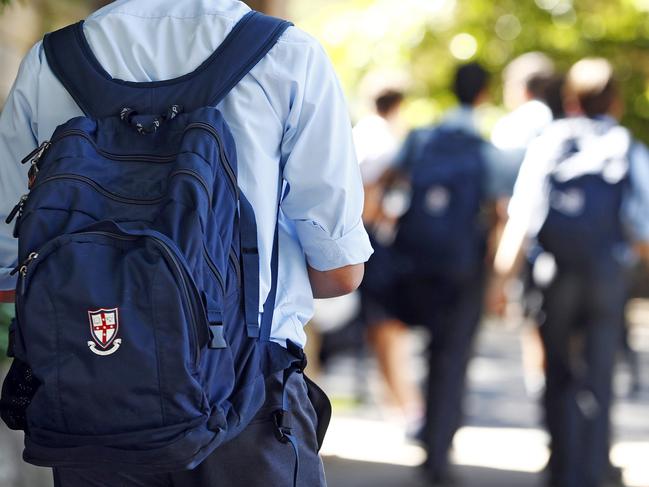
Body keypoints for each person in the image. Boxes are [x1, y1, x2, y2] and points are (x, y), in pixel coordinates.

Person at [0, 0, 373, 485]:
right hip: (246, 405)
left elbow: (12, 271)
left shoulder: (50, 61)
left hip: (90, 401)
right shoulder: (287, 54)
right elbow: (340, 272)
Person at [493, 58, 649, 487]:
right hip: (605, 275)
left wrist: (500, 281)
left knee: (558, 372)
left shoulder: (550, 141)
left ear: (570, 99)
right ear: (616, 101)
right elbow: (642, 226)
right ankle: (595, 467)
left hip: (553, 274)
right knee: (599, 376)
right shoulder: (626, 146)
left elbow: (522, 217)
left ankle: (561, 467)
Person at [394, 62, 516, 484]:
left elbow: (388, 184)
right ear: (484, 94)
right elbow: (501, 215)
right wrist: (498, 277)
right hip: (464, 267)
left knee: (426, 349)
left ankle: (424, 429)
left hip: (419, 259)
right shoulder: (486, 153)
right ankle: (438, 449)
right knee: (452, 355)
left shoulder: (422, 139)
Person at [351, 87, 424, 426]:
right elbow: (373, 199)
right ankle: (407, 407)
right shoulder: (385, 143)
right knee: (389, 329)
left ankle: (396, 403)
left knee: (380, 329)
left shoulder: (356, 135)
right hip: (375, 244)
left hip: (358, 242)